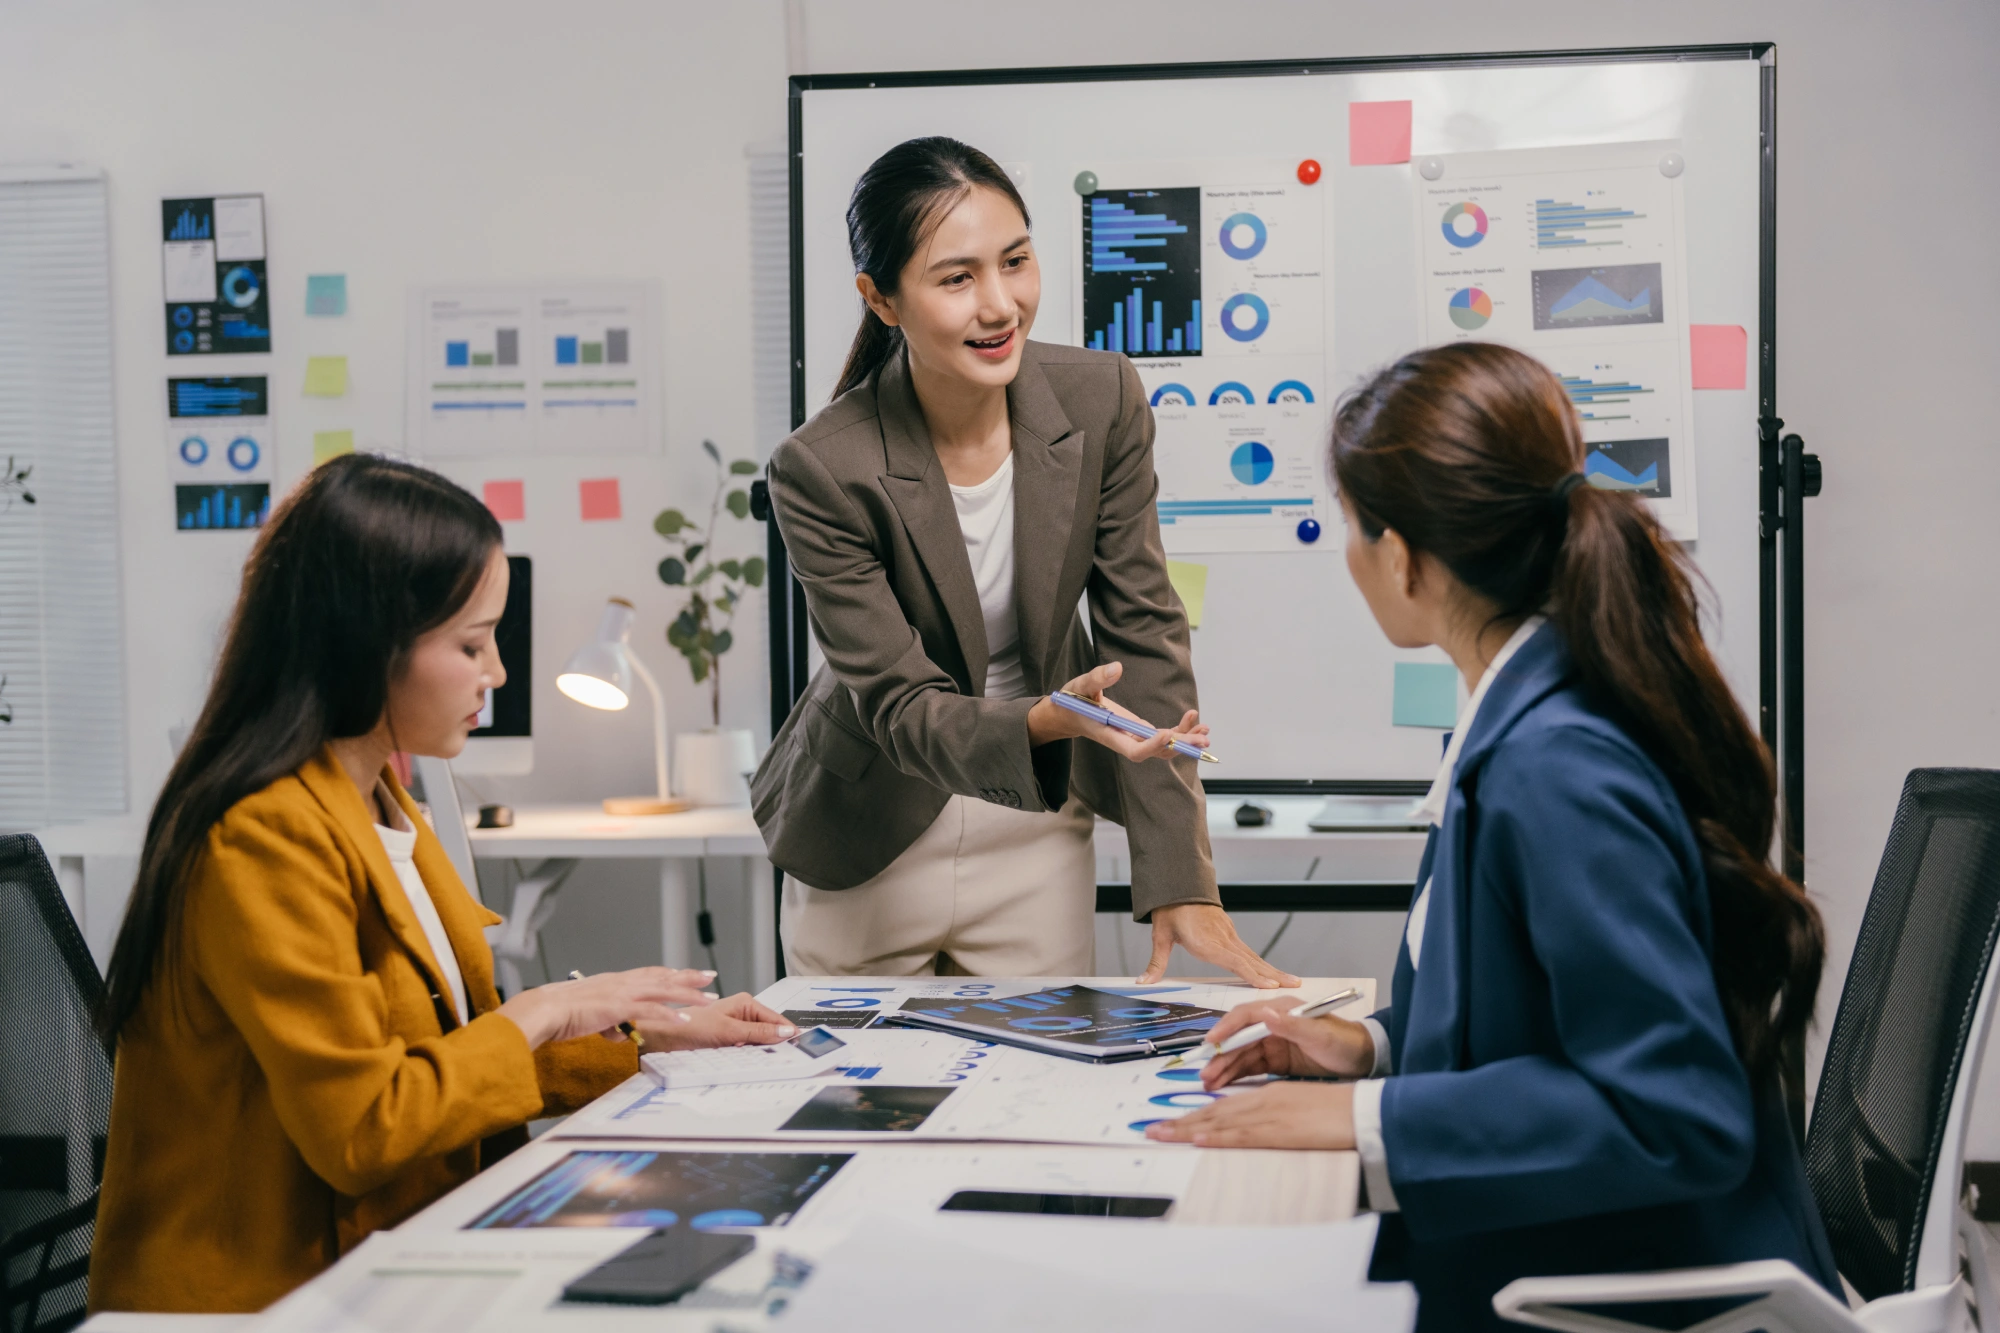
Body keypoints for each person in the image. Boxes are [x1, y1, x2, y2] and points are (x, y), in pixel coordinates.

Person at [1146, 343, 1838, 1327]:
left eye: (1349, 526)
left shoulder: (1553, 768)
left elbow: (1671, 1111)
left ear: (1402, 559)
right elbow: (1536, 1015)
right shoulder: (1524, 715)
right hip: (1574, 1253)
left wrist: (1368, 1116)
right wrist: (1369, 1049)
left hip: (1624, 1289)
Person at [90, 455, 796, 1313]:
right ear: (366, 643)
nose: (495, 672)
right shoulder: (261, 833)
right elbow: (365, 1126)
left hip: (393, 1245)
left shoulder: (385, 800)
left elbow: (444, 1056)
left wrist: (652, 1040)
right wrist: (542, 1009)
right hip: (265, 1297)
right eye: (470, 643)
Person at [752, 136, 1295, 987]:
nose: (1001, 304)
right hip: (870, 828)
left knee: (1041, 1093)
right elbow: (899, 704)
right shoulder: (821, 465)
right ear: (881, 298)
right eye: (956, 277)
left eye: (1016, 261)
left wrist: (1180, 881)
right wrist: (1043, 718)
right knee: (863, 1106)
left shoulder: (1101, 398)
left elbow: (1145, 636)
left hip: (1039, 818)